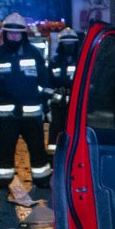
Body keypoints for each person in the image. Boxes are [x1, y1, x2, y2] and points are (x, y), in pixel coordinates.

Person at [0, 13, 53, 191]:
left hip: (31, 114)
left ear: (23, 34)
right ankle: (2, 180)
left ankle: (42, 179)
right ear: (5, 34)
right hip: (6, 115)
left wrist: (42, 100)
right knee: (4, 149)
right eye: (10, 33)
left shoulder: (34, 54)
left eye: (17, 33)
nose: (14, 36)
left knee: (37, 148)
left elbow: (45, 80)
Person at [47, 26, 80, 156]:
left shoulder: (81, 61)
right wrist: (53, 96)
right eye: (65, 43)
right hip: (57, 107)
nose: (68, 46)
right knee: (55, 136)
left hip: (76, 107)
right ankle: (53, 159)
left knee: (74, 134)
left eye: (71, 44)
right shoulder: (54, 62)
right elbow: (47, 83)